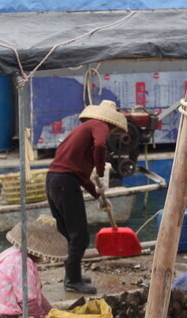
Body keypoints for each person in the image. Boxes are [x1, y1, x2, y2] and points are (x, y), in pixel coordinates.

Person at [46, 100, 128, 294]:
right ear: (113, 123)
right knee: (80, 237)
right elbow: (99, 146)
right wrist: (100, 170)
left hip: (54, 180)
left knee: (67, 234)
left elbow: (79, 174)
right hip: (65, 183)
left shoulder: (82, 129)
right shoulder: (99, 125)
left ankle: (72, 276)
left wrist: (97, 195)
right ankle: (73, 281)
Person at [0, 215, 69, 318]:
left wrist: (53, 312)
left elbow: (39, 298)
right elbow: (29, 301)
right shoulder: (22, 263)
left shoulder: (19, 258)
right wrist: (45, 317)